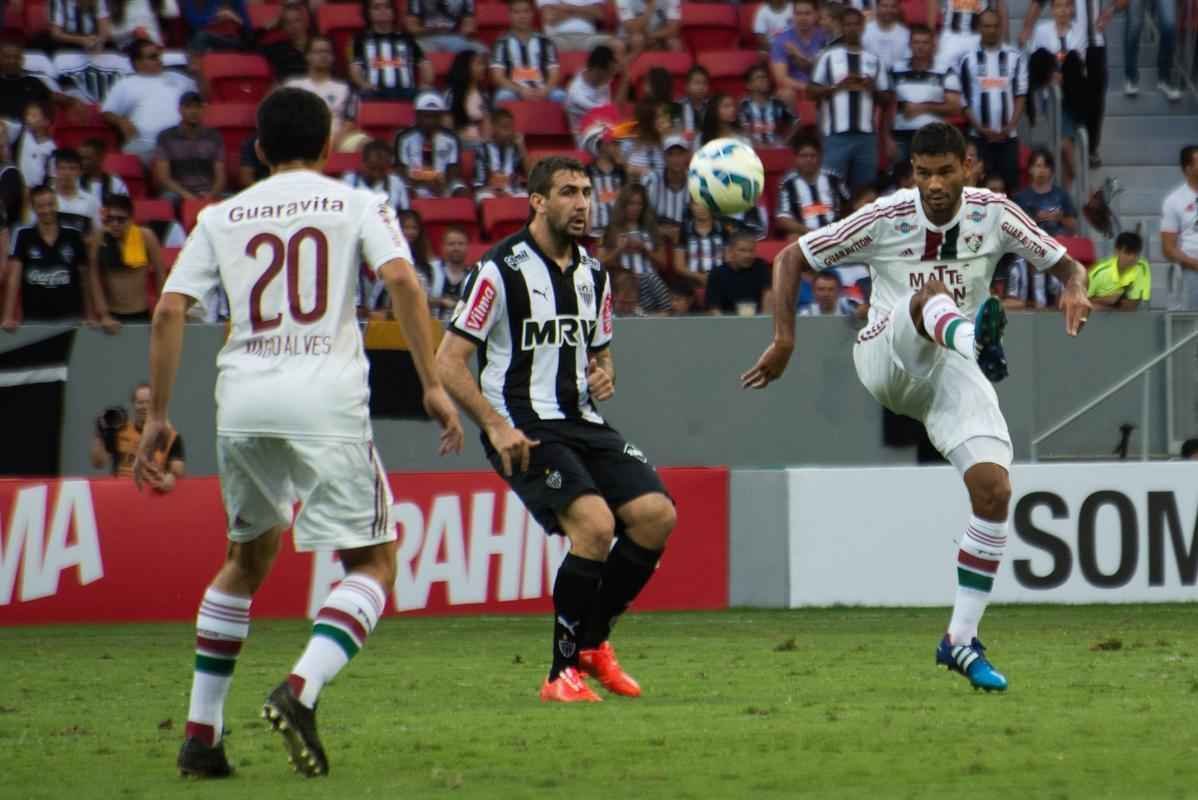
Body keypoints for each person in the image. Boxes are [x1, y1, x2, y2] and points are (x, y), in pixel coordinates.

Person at [141, 86, 463, 779]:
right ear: (327, 148)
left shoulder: (220, 214)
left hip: (244, 402)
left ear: (257, 150)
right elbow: (404, 282)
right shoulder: (355, 202)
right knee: (373, 563)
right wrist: (432, 384)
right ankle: (300, 689)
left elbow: (170, 311)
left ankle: (202, 736)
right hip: (325, 400)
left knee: (246, 559)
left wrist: (159, 417)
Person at [742, 121, 1092, 692]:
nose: (933, 184)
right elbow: (790, 259)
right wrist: (784, 340)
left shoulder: (995, 213)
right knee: (929, 297)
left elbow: (1066, 263)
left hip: (951, 371)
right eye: (923, 173)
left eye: (944, 172)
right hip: (887, 353)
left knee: (995, 491)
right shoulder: (885, 217)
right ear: (912, 175)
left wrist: (1075, 287)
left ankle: (958, 640)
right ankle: (976, 339)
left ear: (968, 168)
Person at [435, 155, 676, 702]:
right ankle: (559, 673)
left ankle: (593, 643)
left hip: (583, 420)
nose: (582, 203)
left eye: (587, 192)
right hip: (523, 425)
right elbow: (448, 360)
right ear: (538, 201)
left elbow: (602, 353)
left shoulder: (594, 273)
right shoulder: (499, 270)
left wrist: (604, 373)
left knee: (656, 516)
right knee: (593, 525)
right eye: (568, 191)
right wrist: (494, 426)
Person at [4, 185, 117, 331]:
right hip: (34, 320)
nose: (46, 210)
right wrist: (8, 316)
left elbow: (85, 279)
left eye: (50, 204)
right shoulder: (23, 236)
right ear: (33, 207)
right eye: (41, 206)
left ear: (56, 204)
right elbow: (14, 279)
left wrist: (90, 315)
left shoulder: (73, 236)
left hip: (71, 319)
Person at [808, 8, 893, 192]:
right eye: (848, 24)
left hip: (866, 138)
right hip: (835, 136)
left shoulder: (874, 60)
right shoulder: (827, 57)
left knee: (864, 192)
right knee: (831, 189)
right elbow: (811, 92)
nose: (852, 28)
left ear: (862, 27)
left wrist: (871, 88)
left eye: (856, 24)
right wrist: (836, 87)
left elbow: (887, 98)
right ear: (841, 27)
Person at [1019, 0, 1111, 166]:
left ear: (1073, 9)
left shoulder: (1080, 31)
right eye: (1058, 6)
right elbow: (1036, 62)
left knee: (1067, 147)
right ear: (1052, 9)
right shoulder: (1042, 31)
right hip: (1051, 95)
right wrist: (1050, 75)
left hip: (1072, 94)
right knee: (1065, 146)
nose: (1063, 11)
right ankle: (1082, 186)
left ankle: (1070, 186)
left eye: (1067, 6)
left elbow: (1079, 62)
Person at [958, 10, 1027, 194]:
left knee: (1009, 188)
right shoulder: (968, 60)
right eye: (987, 26)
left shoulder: (1014, 57)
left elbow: (1021, 95)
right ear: (979, 28)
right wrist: (981, 129)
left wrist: (1010, 126)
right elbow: (963, 101)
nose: (992, 30)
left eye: (996, 26)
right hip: (979, 138)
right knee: (978, 189)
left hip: (1008, 138)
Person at [101, 40, 198, 163]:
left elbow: (204, 98)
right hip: (146, 146)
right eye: (153, 57)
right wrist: (121, 121)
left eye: (158, 55)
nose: (159, 60)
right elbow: (107, 112)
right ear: (137, 63)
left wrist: (198, 72)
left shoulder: (178, 78)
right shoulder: (125, 84)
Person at [890, 24, 962, 162]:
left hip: (933, 138)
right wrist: (887, 138)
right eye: (916, 42)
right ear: (910, 45)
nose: (920, 46)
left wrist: (922, 108)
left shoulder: (945, 71)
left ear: (933, 45)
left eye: (925, 42)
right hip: (900, 136)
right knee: (901, 180)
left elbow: (955, 108)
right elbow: (886, 106)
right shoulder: (895, 70)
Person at [92, 192, 166, 323]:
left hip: (140, 312)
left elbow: (160, 273)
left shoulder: (146, 237)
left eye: (121, 220)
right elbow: (93, 276)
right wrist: (103, 314)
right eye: (110, 219)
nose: (115, 224)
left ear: (131, 219)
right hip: (112, 314)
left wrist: (162, 309)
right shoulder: (99, 238)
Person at [91, 381, 184, 485]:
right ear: (133, 404)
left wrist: (170, 477)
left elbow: (178, 471)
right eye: (140, 402)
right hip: (122, 492)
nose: (144, 406)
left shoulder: (170, 436)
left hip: (153, 491)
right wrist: (100, 434)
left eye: (149, 402)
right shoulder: (120, 431)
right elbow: (98, 463)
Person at [285, 37, 359, 150]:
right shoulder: (292, 86)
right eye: (317, 52)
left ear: (333, 57)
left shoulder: (345, 89)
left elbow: (349, 121)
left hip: (337, 139)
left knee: (364, 143)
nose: (323, 56)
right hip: (301, 139)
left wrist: (334, 142)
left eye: (327, 52)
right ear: (307, 56)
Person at [350, 0, 432, 102]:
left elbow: (425, 64)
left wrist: (425, 84)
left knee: (428, 96)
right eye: (376, 7)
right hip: (375, 92)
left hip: (407, 92)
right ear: (368, 13)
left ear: (393, 12)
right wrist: (363, 84)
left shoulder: (407, 38)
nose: (383, 10)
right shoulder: (361, 40)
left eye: (387, 7)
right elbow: (355, 68)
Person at [152, 92, 225, 202]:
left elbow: (220, 177)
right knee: (167, 200)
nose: (194, 111)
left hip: (207, 191)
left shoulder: (214, 137)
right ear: (180, 110)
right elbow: (164, 178)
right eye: (188, 107)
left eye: (198, 107)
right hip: (178, 193)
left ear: (203, 110)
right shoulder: (166, 137)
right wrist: (187, 196)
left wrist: (211, 195)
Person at [490, 0, 566, 104]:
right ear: (510, 15)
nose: (522, 16)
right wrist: (520, 90)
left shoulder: (546, 41)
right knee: (503, 96)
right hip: (514, 90)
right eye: (517, 12)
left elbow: (554, 73)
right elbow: (498, 76)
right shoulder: (501, 43)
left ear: (532, 14)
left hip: (542, 89)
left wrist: (546, 89)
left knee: (560, 96)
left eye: (526, 12)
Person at [775, 134, 848, 239]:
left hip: (835, 232)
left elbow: (849, 207)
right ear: (796, 158)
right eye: (804, 156)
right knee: (792, 237)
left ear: (820, 157)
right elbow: (783, 218)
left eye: (813, 156)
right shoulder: (787, 184)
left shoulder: (834, 179)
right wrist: (808, 231)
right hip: (804, 234)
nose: (808, 160)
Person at [394, 91, 465, 197]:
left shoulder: (451, 138)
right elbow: (400, 170)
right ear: (417, 116)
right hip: (414, 183)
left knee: (462, 192)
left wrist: (443, 185)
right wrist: (420, 184)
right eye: (426, 116)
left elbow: (453, 168)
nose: (430, 121)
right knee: (405, 191)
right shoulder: (403, 137)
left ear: (441, 117)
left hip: (442, 182)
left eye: (435, 117)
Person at [769, 0, 828, 106]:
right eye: (798, 13)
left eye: (807, 13)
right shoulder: (782, 40)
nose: (802, 18)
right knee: (785, 94)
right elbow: (781, 79)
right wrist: (807, 87)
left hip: (822, 86)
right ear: (793, 15)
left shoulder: (825, 36)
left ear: (816, 14)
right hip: (796, 89)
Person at [1161, 146, 1198, 310]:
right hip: (1192, 273)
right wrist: (1194, 264)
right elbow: (1168, 248)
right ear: (1188, 169)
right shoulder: (1174, 201)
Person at [565, 45, 627, 139]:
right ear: (599, 71)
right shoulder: (577, 96)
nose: (612, 78)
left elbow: (619, 66)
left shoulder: (594, 74)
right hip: (589, 142)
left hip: (607, 135)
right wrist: (625, 80)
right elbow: (614, 115)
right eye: (610, 73)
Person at [1013, 148, 1078, 237]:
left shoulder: (1062, 195)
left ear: (1051, 171)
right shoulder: (1020, 198)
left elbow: (1074, 227)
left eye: (1046, 167)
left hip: (1059, 244)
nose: (1042, 171)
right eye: (1038, 166)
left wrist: (1060, 218)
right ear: (1030, 169)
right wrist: (1037, 219)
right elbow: (1015, 229)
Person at [706, 230, 772, 315]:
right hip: (727, 322)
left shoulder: (761, 267)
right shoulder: (717, 274)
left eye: (751, 251)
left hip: (757, 319)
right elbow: (714, 308)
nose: (748, 255)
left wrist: (764, 321)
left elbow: (769, 296)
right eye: (742, 250)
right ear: (730, 251)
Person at [933, 0, 1006, 71]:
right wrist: (934, 35)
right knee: (942, 71)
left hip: (976, 36)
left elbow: (1000, 5)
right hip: (950, 36)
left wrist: (1002, 38)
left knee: (976, 76)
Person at [342, 138, 411, 211]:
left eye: (382, 170)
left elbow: (405, 213)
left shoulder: (396, 183)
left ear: (388, 166)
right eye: (372, 168)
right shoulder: (349, 180)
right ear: (363, 163)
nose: (376, 174)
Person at [1088, 230, 1150, 311]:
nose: (1132, 258)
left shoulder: (1142, 268)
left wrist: (1105, 305)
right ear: (1116, 251)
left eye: (1135, 254)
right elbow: (1079, 303)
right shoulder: (1099, 273)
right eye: (1127, 253)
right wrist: (1105, 299)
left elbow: (1131, 306)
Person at [474, 107, 528, 199]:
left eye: (511, 128)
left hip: (511, 191)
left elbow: (529, 173)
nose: (509, 132)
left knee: (525, 196)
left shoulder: (514, 149)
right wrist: (499, 189)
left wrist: (521, 147)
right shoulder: (483, 149)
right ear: (494, 128)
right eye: (505, 128)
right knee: (485, 197)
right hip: (488, 190)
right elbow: (482, 180)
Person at [739, 63, 797, 147]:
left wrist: (785, 142)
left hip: (776, 148)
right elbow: (743, 129)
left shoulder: (777, 104)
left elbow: (796, 123)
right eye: (759, 78)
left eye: (765, 77)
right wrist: (757, 145)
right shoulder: (744, 106)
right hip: (752, 149)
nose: (764, 80)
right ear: (749, 85)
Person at [641, 135, 691, 230]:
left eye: (680, 154)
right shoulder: (651, 180)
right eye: (671, 154)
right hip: (656, 234)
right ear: (664, 157)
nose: (676, 159)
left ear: (687, 156)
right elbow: (643, 213)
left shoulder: (694, 181)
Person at [674, 198, 725, 285]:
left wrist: (714, 277)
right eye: (697, 204)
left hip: (719, 282)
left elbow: (728, 259)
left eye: (706, 203)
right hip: (692, 282)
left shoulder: (722, 229)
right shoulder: (685, 230)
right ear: (690, 206)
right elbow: (679, 266)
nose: (702, 208)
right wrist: (699, 277)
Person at [52, 148, 102, 234]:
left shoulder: (92, 201)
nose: (67, 173)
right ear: (55, 171)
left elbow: (98, 233)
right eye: (62, 168)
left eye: (72, 168)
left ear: (80, 172)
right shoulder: (44, 198)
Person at [11, 100, 58, 190]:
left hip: (37, 190)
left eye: (33, 116)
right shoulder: (22, 134)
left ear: (46, 121)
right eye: (27, 115)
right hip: (18, 188)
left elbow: (52, 175)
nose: (28, 118)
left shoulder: (51, 148)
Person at [427, 225, 472, 320]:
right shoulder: (430, 270)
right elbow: (417, 300)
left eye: (460, 244)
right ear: (443, 247)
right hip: (432, 327)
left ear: (467, 247)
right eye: (451, 244)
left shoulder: (474, 275)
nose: (456, 248)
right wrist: (440, 301)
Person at [261, 0, 313, 81]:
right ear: (283, 27)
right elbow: (250, 48)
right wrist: (267, 28)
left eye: (297, 20)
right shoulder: (278, 49)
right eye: (288, 23)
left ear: (305, 22)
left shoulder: (320, 45)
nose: (293, 26)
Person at [586, 136, 626, 235]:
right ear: (603, 146)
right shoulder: (587, 171)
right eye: (615, 144)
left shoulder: (621, 172)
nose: (618, 148)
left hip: (618, 232)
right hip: (595, 232)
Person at [405, 0, 478, 54]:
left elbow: (469, 25)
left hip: (454, 38)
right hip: (425, 38)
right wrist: (432, 30)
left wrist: (458, 34)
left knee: (480, 51)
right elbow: (411, 27)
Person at [616, 0, 681, 58]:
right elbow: (631, 29)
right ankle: (628, 69)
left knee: (674, 43)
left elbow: (673, 29)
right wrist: (650, 8)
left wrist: (652, 36)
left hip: (657, 34)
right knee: (637, 39)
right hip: (631, 35)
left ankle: (672, 70)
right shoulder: (623, 1)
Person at [78, 137, 130, 201]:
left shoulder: (116, 184)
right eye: (81, 158)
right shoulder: (75, 181)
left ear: (100, 158)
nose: (83, 162)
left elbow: (123, 208)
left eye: (88, 158)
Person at [862, 0, 911, 68]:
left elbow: (906, 63)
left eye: (893, 6)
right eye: (884, 6)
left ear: (898, 9)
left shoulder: (906, 35)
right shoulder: (864, 32)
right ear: (877, 7)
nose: (889, 10)